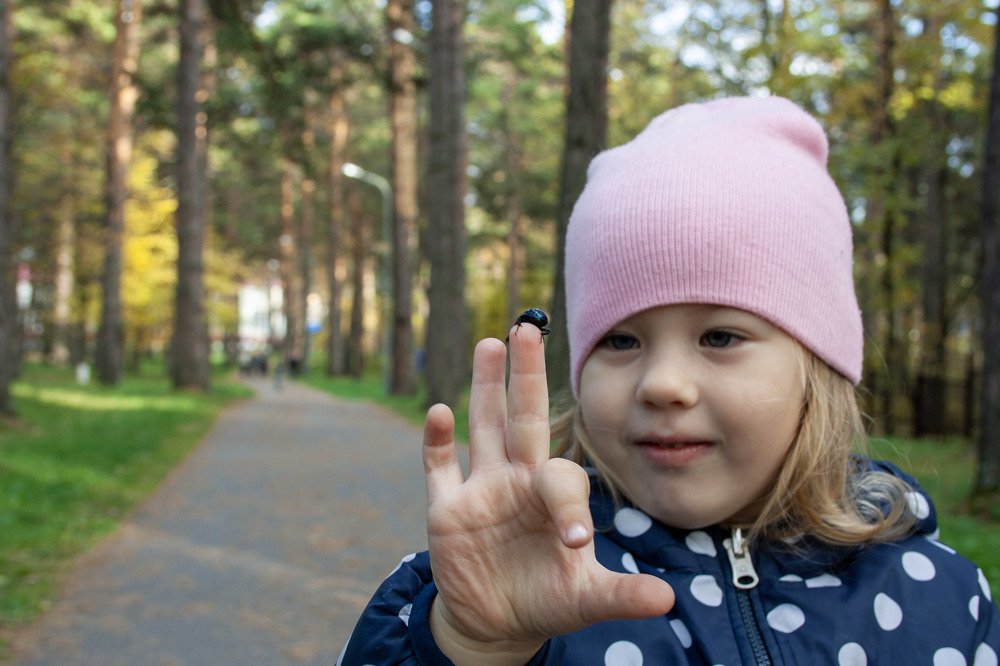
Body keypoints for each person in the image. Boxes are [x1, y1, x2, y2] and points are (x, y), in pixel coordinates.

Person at [338, 96, 1000, 665]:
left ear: (818, 366)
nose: (662, 383)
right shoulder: (514, 579)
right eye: (621, 341)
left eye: (720, 337)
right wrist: (473, 646)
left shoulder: (937, 597)